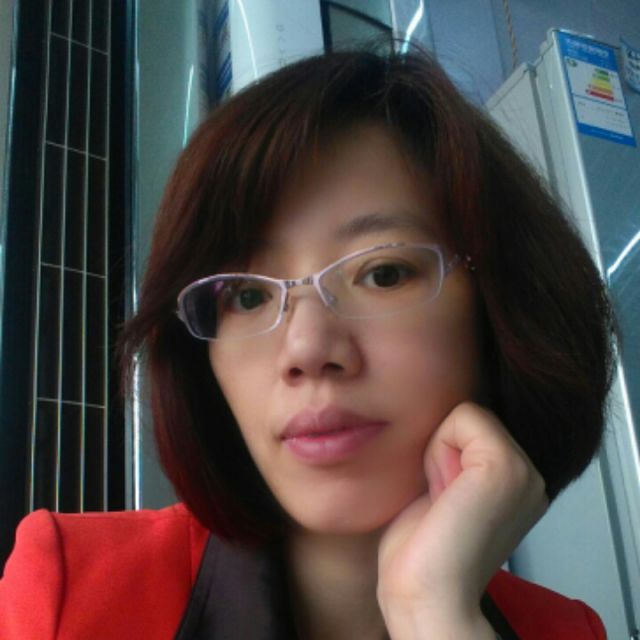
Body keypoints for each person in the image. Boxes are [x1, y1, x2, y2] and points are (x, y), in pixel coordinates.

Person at [0, 46, 615, 639]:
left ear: (498, 309)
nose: (306, 349)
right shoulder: (71, 598)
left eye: (383, 273)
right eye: (247, 296)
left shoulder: (570, 632)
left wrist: (435, 616)